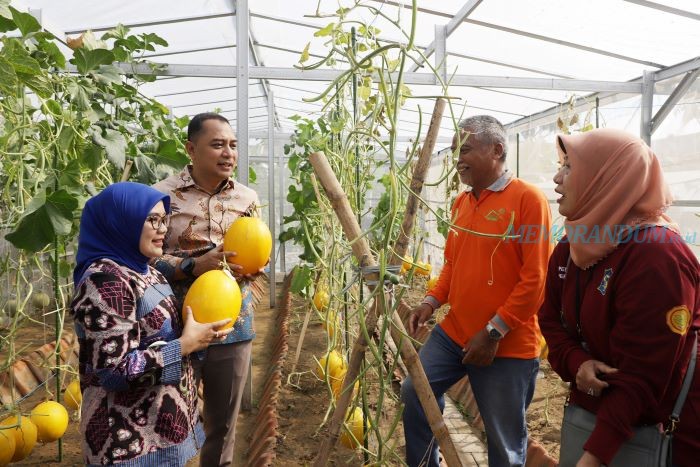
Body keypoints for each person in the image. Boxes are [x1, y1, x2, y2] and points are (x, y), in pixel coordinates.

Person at [539, 128, 699, 467]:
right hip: (596, 421)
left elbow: (644, 376)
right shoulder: (573, 246)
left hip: (659, 434)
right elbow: (550, 319)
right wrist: (575, 361)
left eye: (569, 167)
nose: (556, 178)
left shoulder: (657, 256)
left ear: (605, 178)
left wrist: (592, 458)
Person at [402, 115, 552, 467]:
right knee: (416, 392)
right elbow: (453, 265)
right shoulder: (462, 203)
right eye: (455, 150)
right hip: (455, 332)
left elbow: (536, 280)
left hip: (508, 343)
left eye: (465, 149)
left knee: (504, 442)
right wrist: (431, 301)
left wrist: (494, 330)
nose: (457, 159)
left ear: (496, 150)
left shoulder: (528, 200)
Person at [71, 182, 232, 466]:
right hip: (125, 441)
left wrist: (200, 337)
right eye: (151, 219)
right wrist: (184, 345)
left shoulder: (147, 270)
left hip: (159, 427)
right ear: (121, 222)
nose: (162, 229)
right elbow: (113, 371)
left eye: (164, 219)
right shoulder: (104, 282)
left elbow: (166, 337)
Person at [152, 112, 262, 466]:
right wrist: (192, 266)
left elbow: (257, 250)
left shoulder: (247, 199)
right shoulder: (161, 196)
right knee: (169, 419)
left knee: (223, 424)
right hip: (175, 328)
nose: (227, 153)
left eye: (232, 145)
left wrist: (257, 268)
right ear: (191, 148)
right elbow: (145, 259)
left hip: (234, 326)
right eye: (217, 144)